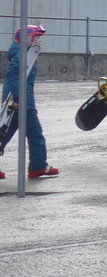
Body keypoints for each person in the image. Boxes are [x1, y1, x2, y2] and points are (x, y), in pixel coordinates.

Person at [1, 25, 59, 179]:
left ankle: (38, 166)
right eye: (37, 37)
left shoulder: (26, 53)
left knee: (11, 133)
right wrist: (18, 97)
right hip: (20, 101)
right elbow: (12, 75)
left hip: (22, 100)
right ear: (27, 38)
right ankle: (37, 167)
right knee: (30, 134)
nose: (40, 41)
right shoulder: (23, 54)